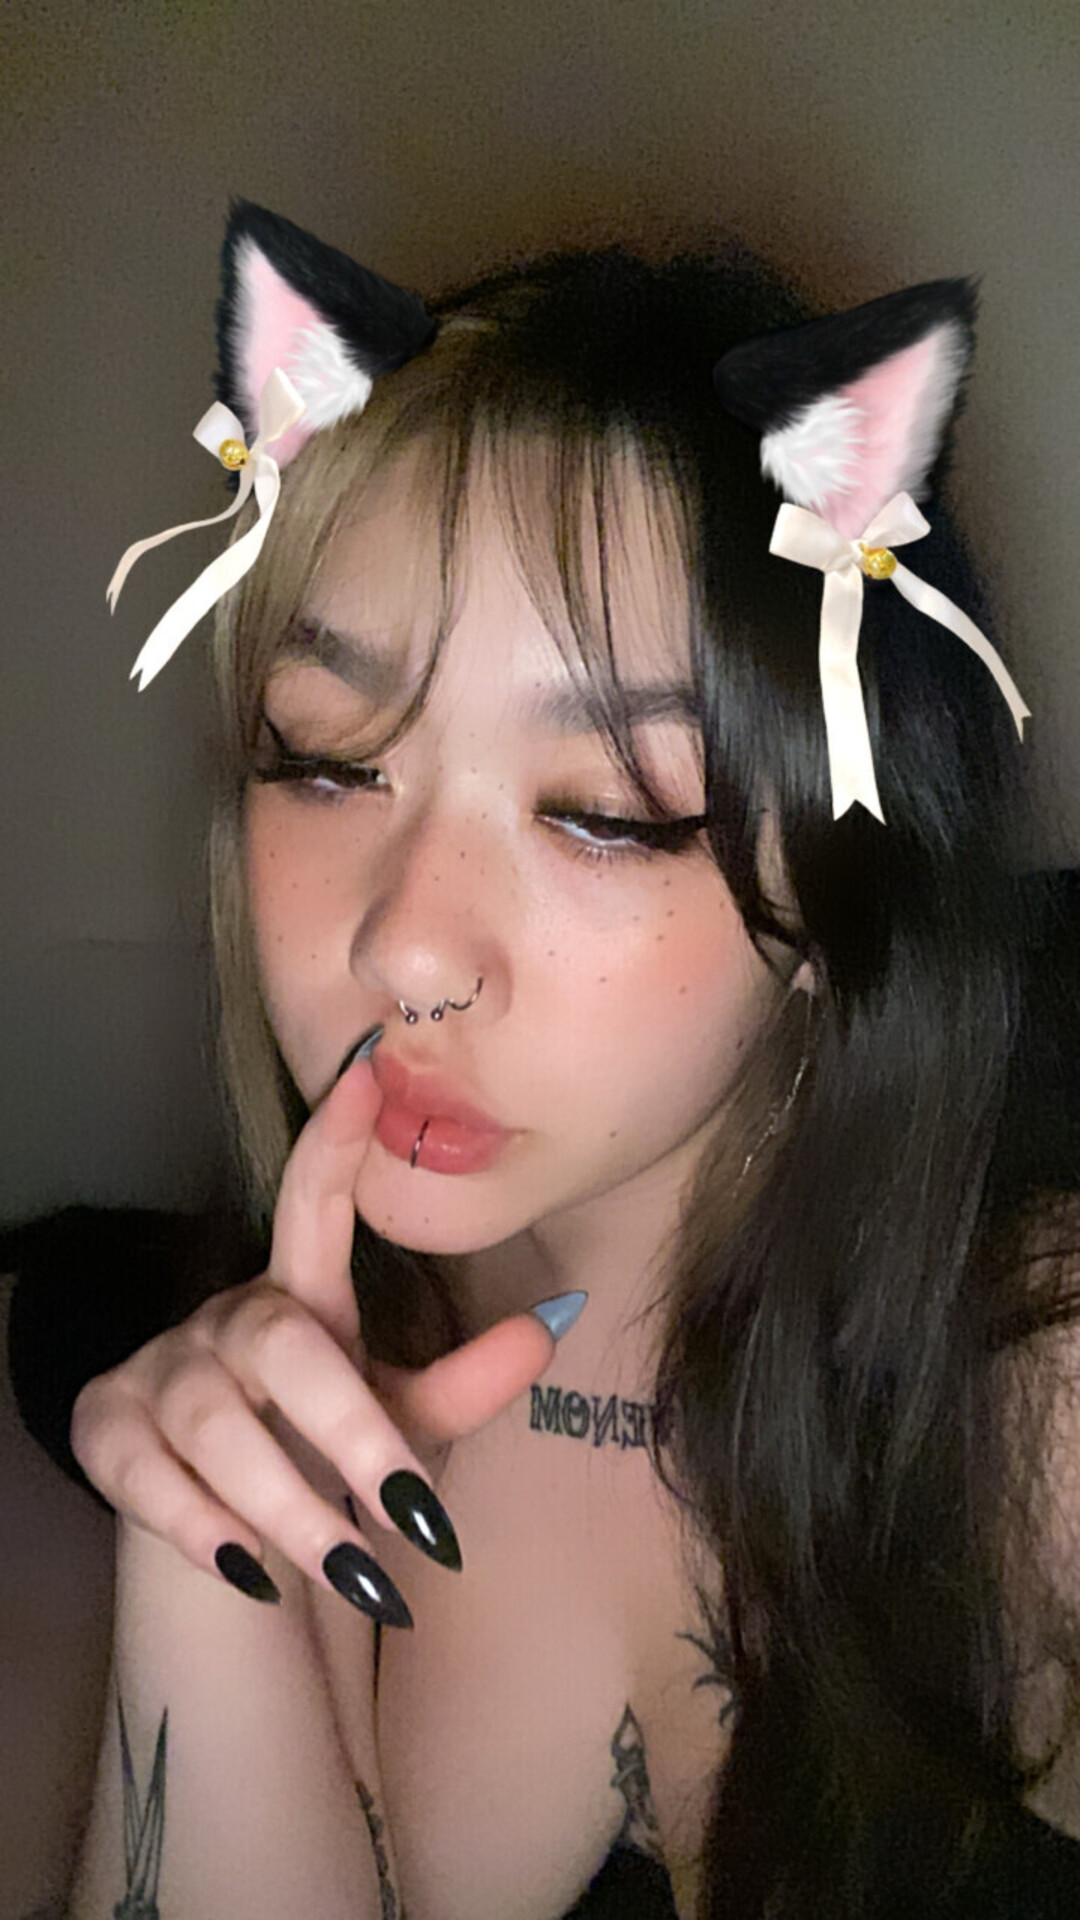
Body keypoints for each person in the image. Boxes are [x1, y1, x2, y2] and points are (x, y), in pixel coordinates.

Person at [62, 202, 1080, 1918]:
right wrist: (203, 1570)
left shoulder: (1038, 1402)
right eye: (325, 758)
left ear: (838, 891)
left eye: (605, 812)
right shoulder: (308, 1388)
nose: (405, 949)